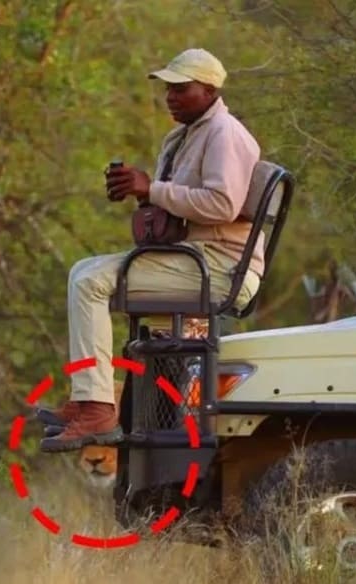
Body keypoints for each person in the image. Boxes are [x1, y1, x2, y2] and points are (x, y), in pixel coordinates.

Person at [40, 48, 262, 452]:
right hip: (193, 258)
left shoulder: (224, 134)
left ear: (209, 90)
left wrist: (152, 188)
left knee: (90, 281)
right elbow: (178, 202)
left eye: (181, 88)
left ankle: (98, 409)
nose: (170, 97)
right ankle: (88, 399)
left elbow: (222, 204)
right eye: (168, 89)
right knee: (81, 271)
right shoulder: (185, 135)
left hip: (218, 266)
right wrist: (138, 191)